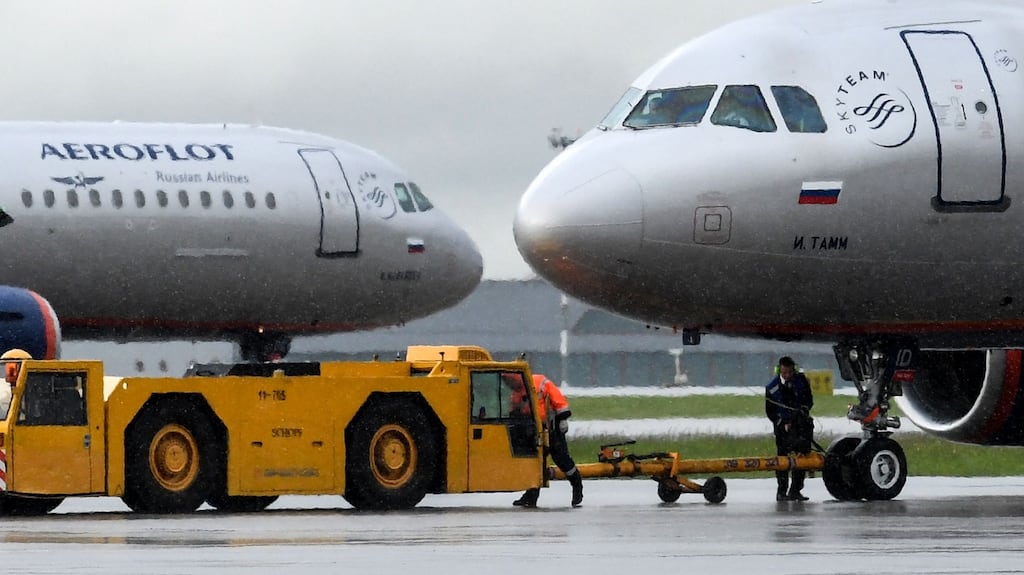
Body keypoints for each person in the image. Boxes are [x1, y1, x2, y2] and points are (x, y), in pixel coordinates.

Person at [513, 373, 584, 508]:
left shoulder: (541, 382)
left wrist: (562, 419)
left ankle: (577, 487)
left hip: (551, 428)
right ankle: (531, 496)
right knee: (535, 463)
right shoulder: (517, 389)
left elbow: (560, 402)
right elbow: (515, 409)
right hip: (533, 430)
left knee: (562, 459)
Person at [765, 356, 814, 501]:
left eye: (789, 373)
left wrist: (801, 414)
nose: (787, 375)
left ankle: (796, 490)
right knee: (782, 459)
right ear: (779, 370)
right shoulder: (772, 387)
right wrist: (781, 422)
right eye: (784, 372)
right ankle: (781, 491)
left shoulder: (801, 381)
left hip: (800, 426)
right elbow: (770, 411)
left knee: (801, 457)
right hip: (782, 429)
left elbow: (808, 401)